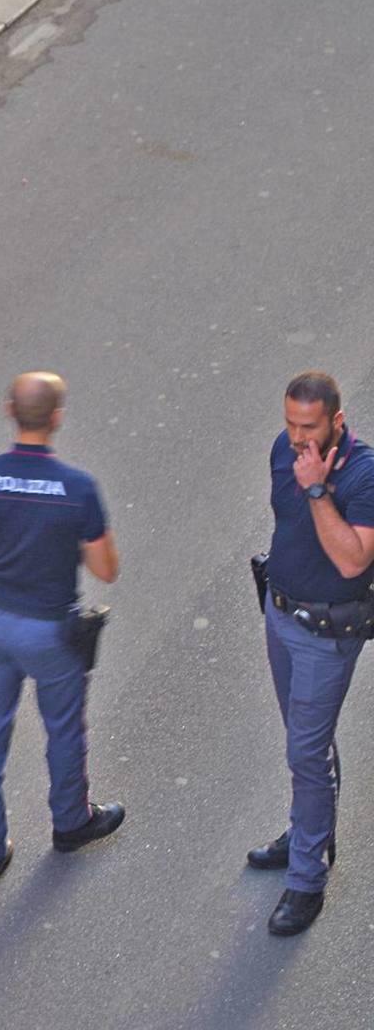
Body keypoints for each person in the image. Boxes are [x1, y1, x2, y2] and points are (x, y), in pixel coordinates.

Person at [0, 372, 123, 889]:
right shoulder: (77, 488)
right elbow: (106, 569)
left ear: (9, 410)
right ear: (58, 419)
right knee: (64, 730)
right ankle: (71, 823)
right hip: (49, 631)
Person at [248, 371, 374, 936]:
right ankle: (309, 833)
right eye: (290, 424)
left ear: (337, 423)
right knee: (307, 744)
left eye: (310, 428)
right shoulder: (284, 450)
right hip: (281, 615)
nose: (298, 439)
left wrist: (319, 489)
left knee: (305, 752)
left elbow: (352, 561)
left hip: (327, 636)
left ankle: (306, 881)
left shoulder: (365, 476)